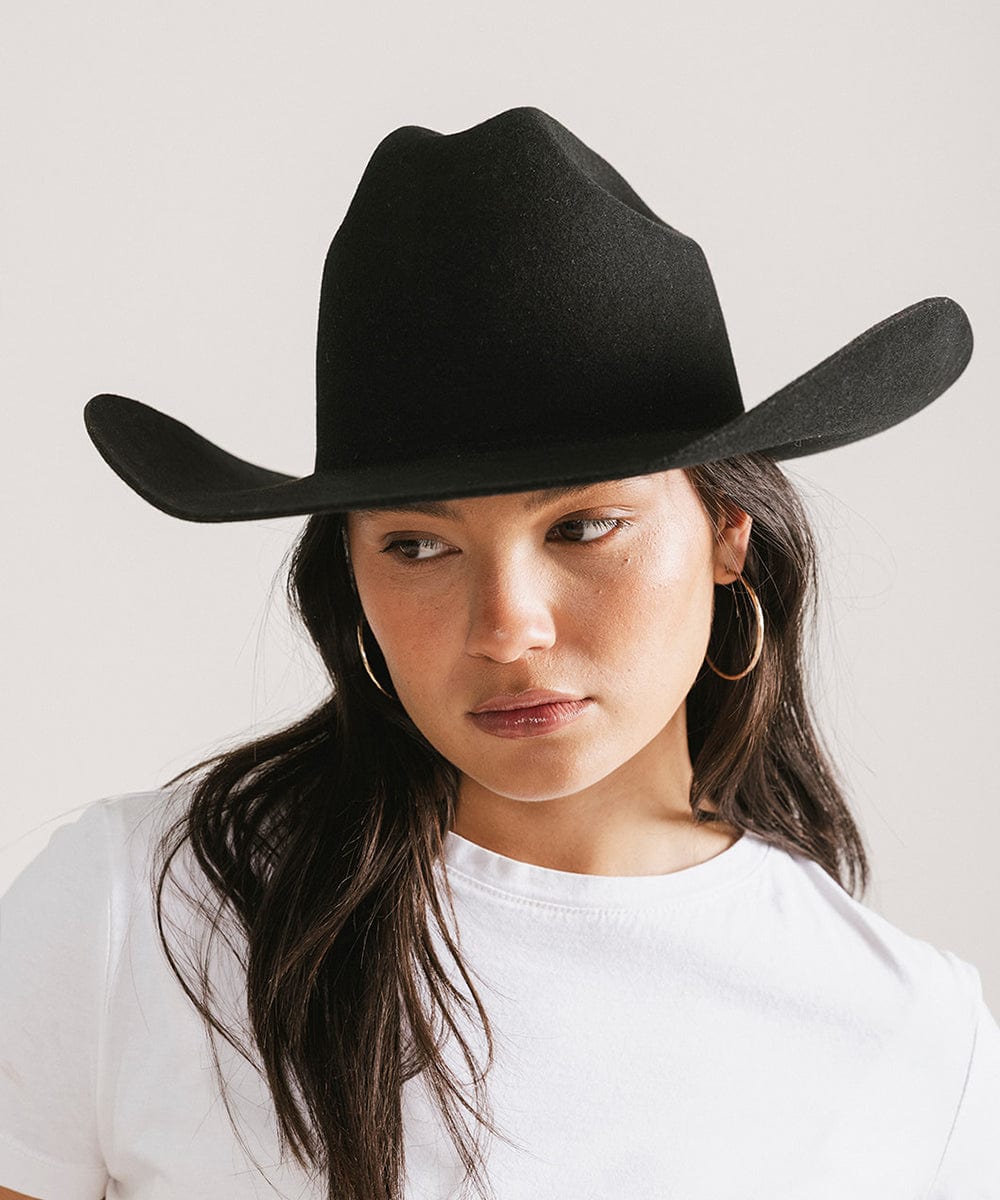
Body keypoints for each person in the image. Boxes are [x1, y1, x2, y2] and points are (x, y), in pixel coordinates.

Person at [1, 106, 996, 1200]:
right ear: (350, 573)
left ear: (726, 531)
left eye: (580, 527)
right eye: (417, 545)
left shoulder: (912, 1042)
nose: (506, 626)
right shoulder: (146, 914)